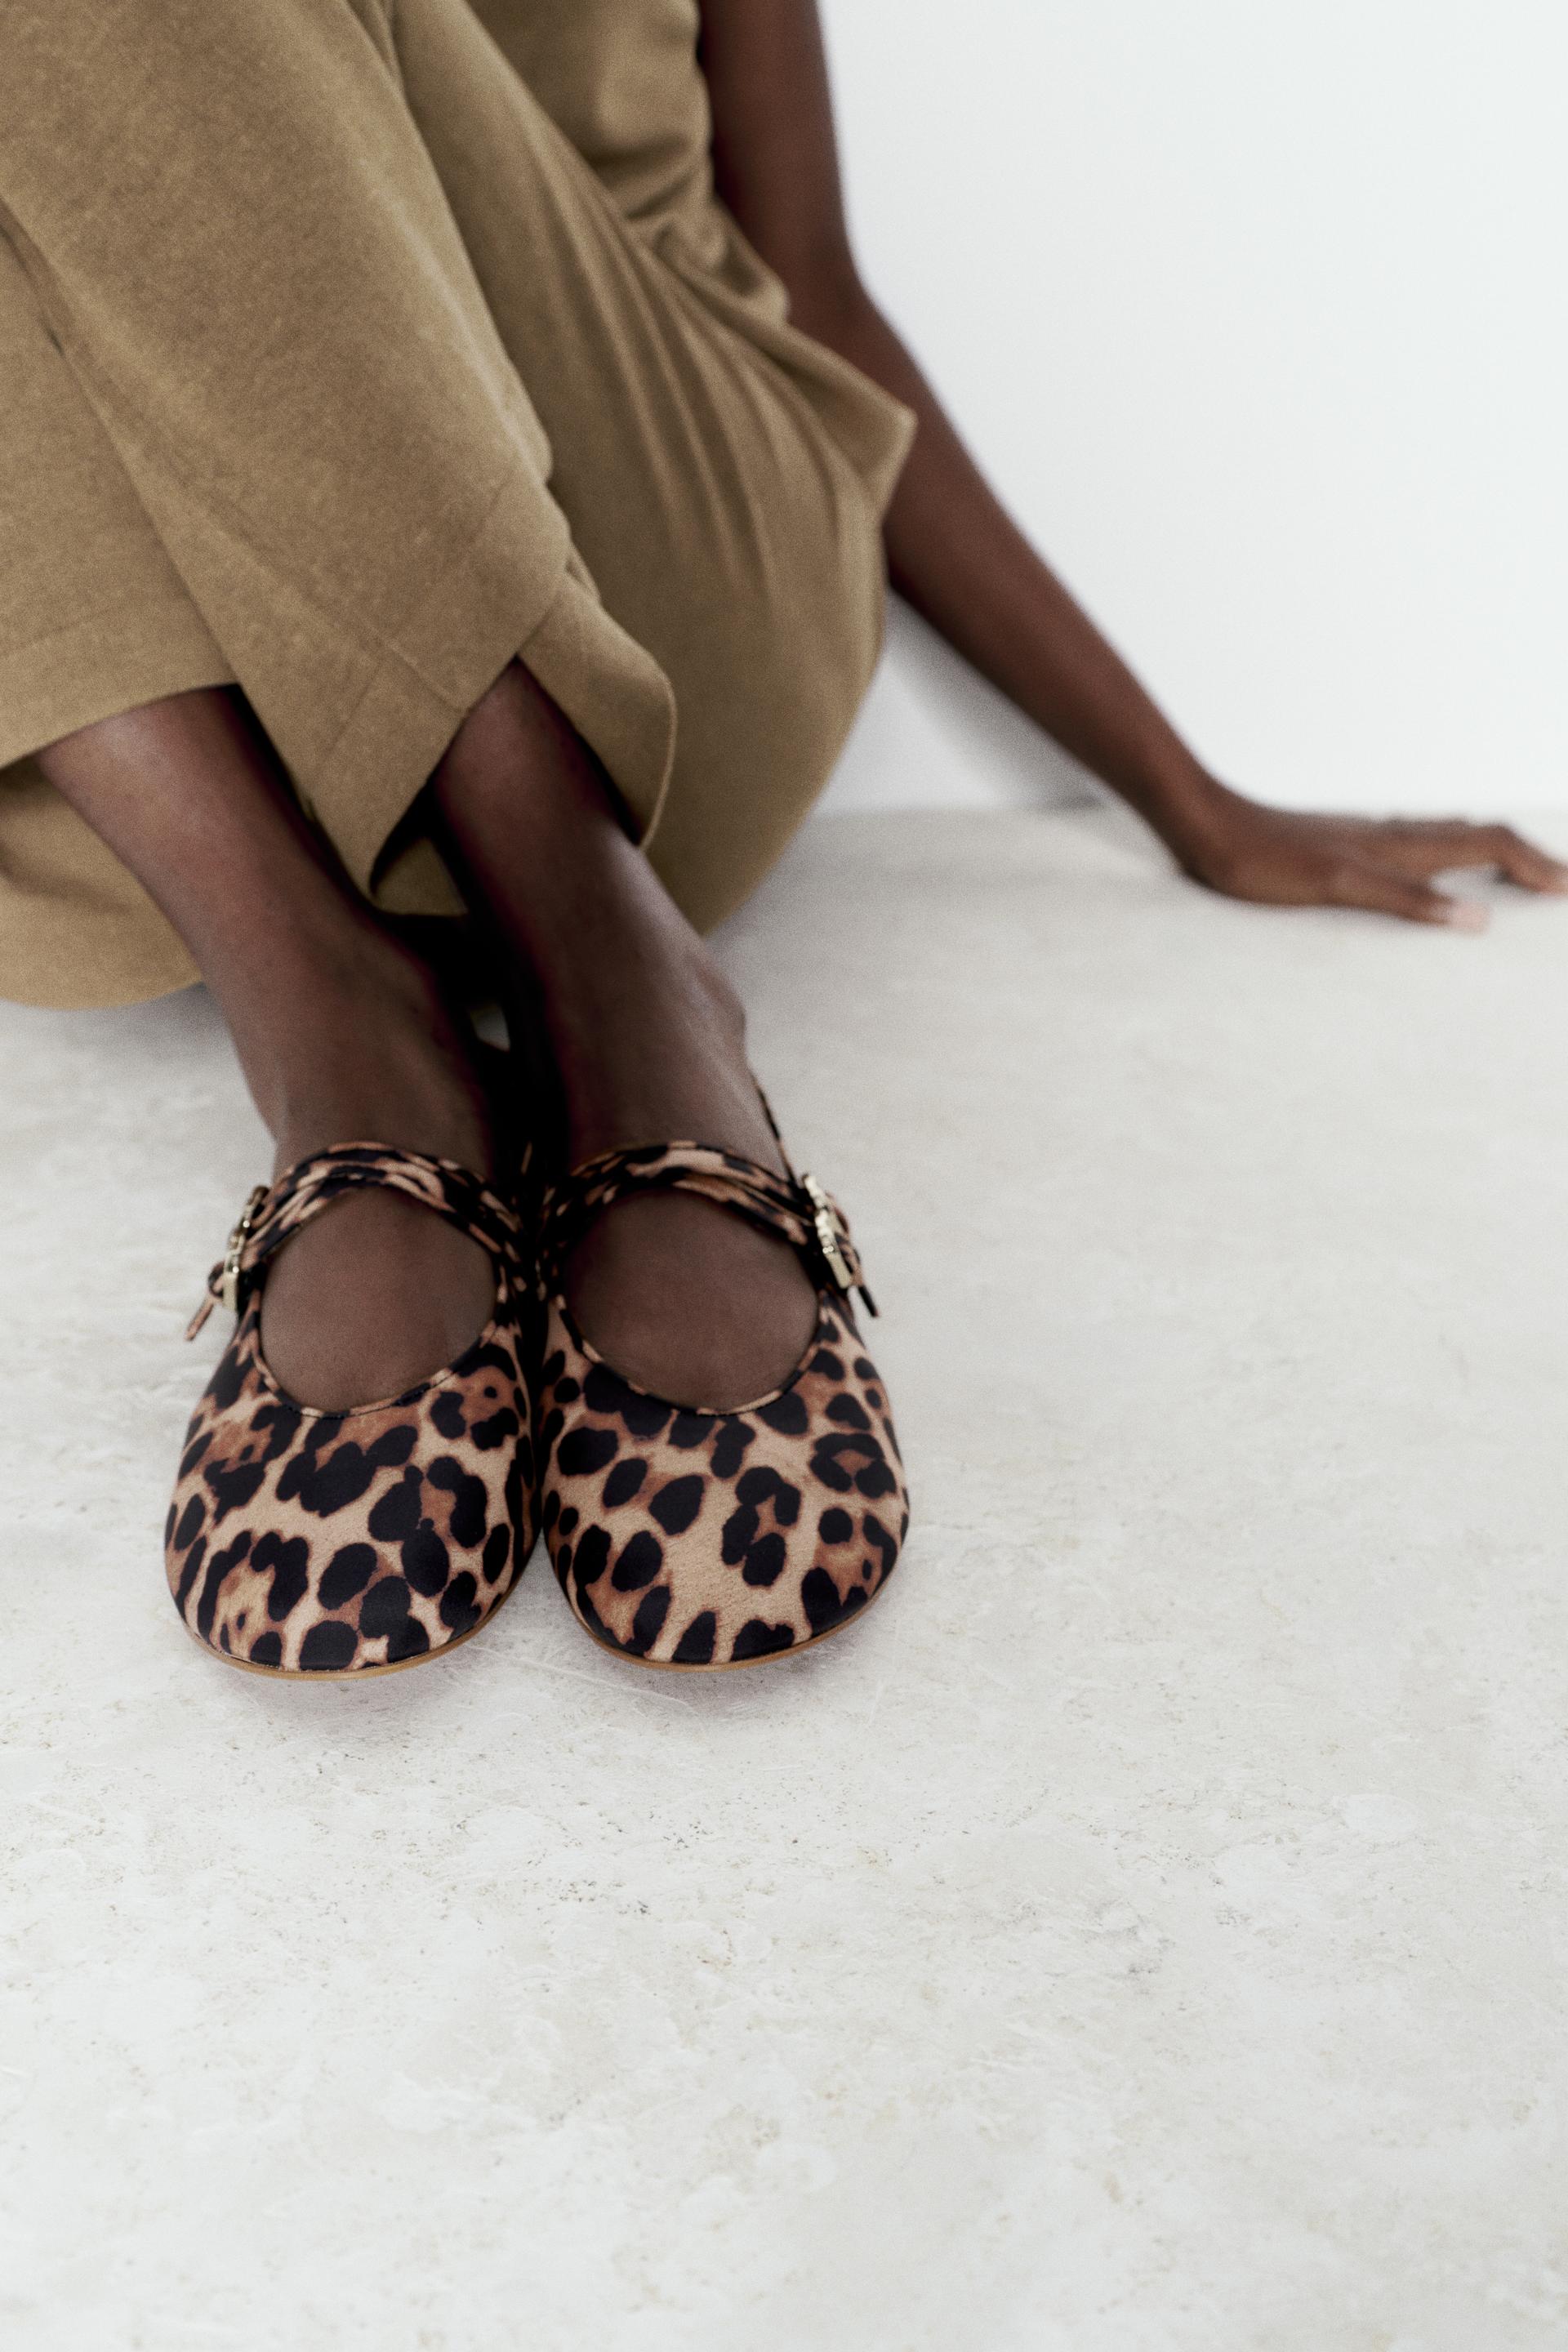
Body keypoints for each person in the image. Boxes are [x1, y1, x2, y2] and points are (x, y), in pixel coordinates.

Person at [4, 1, 1558, 1678]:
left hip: (660, 616)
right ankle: (330, 1012)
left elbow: (812, 285)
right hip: (188, 757)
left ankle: (610, 953)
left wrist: (1194, 801)